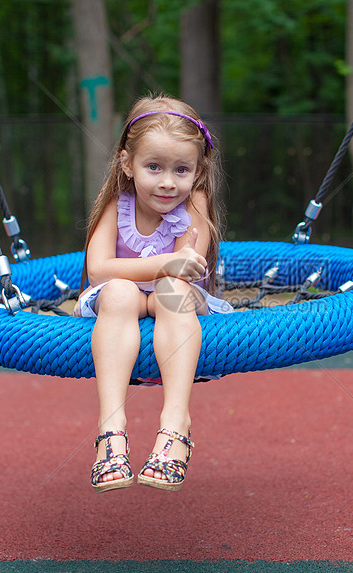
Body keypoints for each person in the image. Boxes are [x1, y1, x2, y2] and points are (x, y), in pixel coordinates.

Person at [74, 94, 231, 493]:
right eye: (154, 167)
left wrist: (170, 270)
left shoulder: (195, 203)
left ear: (198, 171)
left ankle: (175, 425)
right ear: (127, 164)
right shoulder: (117, 204)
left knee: (171, 288)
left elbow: (187, 266)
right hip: (121, 299)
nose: (167, 182)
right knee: (121, 292)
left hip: (174, 298)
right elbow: (99, 270)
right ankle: (111, 430)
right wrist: (164, 263)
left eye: (181, 169)